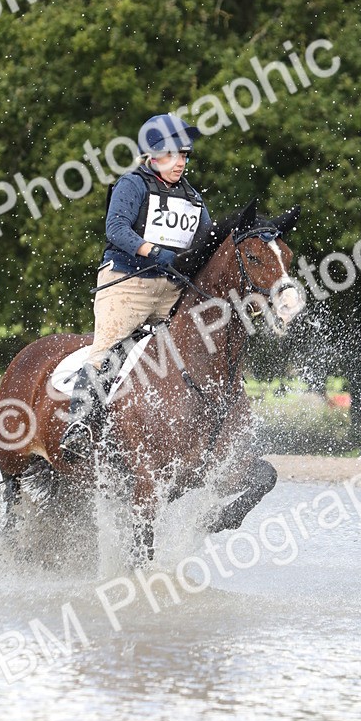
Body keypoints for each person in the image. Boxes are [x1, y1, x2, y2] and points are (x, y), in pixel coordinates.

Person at [60, 112, 212, 462]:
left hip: (172, 288)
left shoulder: (193, 198)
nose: (181, 163)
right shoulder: (133, 184)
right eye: (174, 155)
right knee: (108, 350)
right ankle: (79, 425)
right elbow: (116, 229)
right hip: (127, 281)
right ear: (153, 156)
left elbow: (206, 240)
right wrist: (154, 252)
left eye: (185, 155)